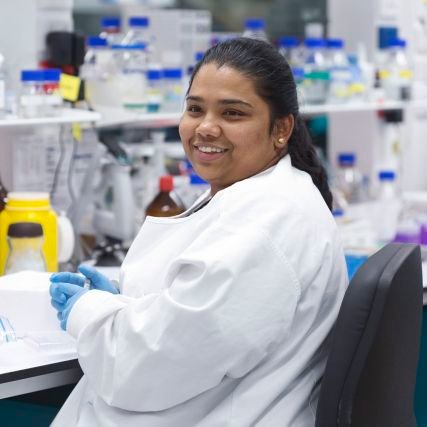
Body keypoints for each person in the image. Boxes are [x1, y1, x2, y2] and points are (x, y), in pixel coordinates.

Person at [49, 37, 348, 426]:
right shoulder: (256, 195)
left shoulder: (267, 223)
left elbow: (147, 370)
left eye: (233, 114)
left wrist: (88, 313)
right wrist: (126, 307)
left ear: (281, 128)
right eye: (194, 109)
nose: (205, 128)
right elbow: (198, 323)